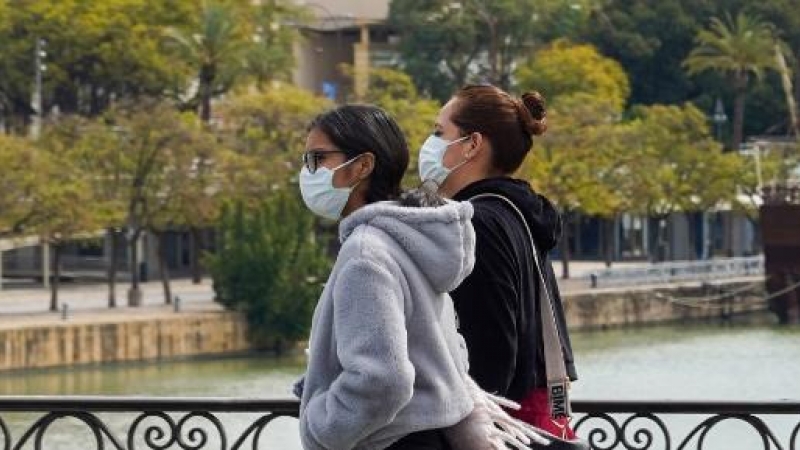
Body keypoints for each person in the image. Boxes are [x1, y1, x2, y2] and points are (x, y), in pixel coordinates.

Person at [295, 104, 539, 450]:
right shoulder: (407, 241)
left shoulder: (366, 253)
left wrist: (321, 425)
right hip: (433, 435)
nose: (308, 171)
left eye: (318, 159)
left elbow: (383, 379)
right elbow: (449, 352)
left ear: (362, 165)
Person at [418, 84, 579, 439]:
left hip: (501, 430)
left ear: (472, 144)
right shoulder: (515, 213)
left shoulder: (477, 223)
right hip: (533, 420)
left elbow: (491, 353)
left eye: (438, 132)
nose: (428, 144)